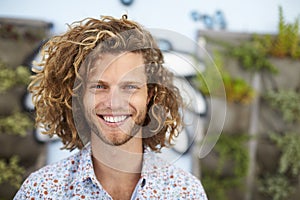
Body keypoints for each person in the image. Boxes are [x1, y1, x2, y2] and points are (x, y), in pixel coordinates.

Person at [14, 15, 208, 199]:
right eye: (99, 86)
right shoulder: (42, 191)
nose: (114, 103)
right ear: (79, 96)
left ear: (149, 95)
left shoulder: (186, 192)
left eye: (129, 87)